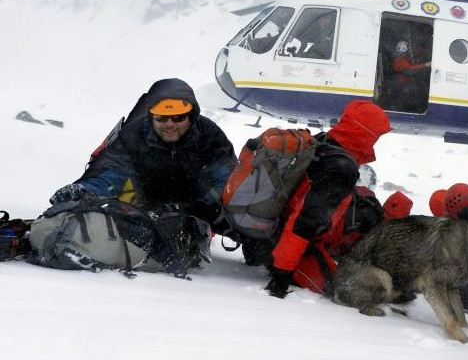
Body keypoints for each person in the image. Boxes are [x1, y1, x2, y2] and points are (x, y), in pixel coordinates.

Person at [49, 78, 236, 233]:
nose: (170, 124)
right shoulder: (134, 135)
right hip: (144, 209)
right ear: (151, 117)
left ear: (191, 115)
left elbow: (228, 182)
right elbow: (112, 173)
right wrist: (86, 190)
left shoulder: (210, 136)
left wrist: (189, 209)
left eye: (178, 117)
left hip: (197, 210)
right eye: (161, 118)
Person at [264, 100, 391, 298]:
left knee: (368, 205)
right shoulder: (340, 167)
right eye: (376, 136)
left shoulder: (325, 141)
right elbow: (303, 223)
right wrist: (281, 274)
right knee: (339, 289)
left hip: (277, 229)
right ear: (366, 133)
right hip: (287, 247)